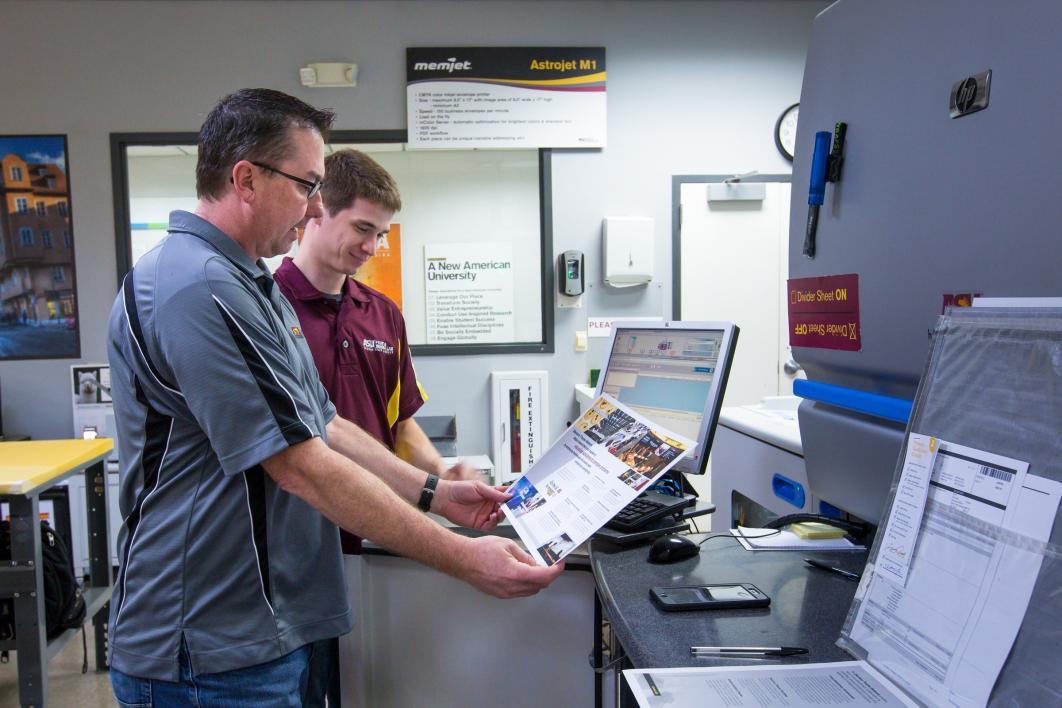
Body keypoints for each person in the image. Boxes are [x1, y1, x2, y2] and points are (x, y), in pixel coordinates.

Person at [106, 88, 563, 706]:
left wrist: (436, 492)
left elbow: (326, 424)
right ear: (245, 179)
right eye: (306, 185)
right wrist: (464, 559)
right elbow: (300, 465)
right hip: (208, 645)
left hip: (256, 629)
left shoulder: (245, 283)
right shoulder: (201, 286)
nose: (315, 205)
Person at [272, 148, 478, 705]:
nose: (373, 246)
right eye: (363, 228)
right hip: (298, 552)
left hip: (382, 537)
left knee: (377, 687)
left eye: (382, 234)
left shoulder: (383, 314)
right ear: (315, 212)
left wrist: (440, 475)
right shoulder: (266, 310)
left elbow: (400, 419)